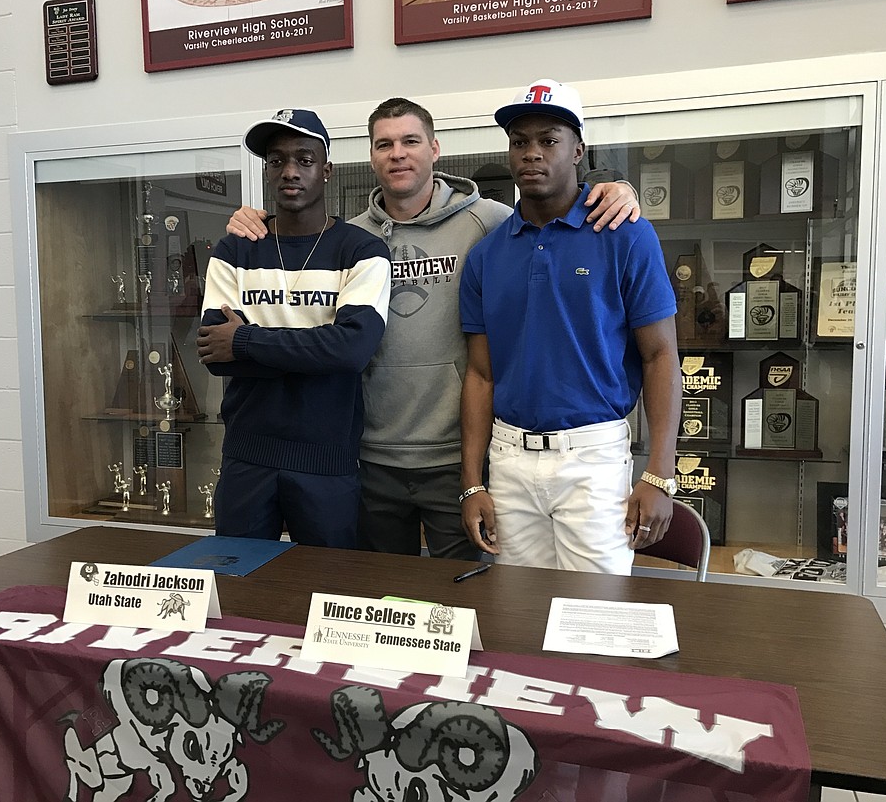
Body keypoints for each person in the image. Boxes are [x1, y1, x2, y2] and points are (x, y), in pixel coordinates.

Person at [227, 98, 640, 560]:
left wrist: (615, 188)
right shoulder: (350, 239)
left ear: (435, 149)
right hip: (369, 454)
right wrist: (258, 221)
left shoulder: (489, 222)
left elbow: (550, 221)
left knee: (465, 603)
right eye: (384, 144)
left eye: (410, 141)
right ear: (370, 157)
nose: (397, 154)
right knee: (381, 600)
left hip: (456, 458)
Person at [459, 78, 681, 574]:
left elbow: (661, 356)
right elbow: (480, 375)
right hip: (509, 457)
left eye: (549, 140)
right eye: (520, 143)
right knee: (517, 617)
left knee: (595, 623)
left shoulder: (625, 234)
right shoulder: (488, 254)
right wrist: (472, 482)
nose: (532, 154)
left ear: (578, 150)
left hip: (593, 456)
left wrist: (661, 474)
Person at [197, 108, 391, 548]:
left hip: (327, 462)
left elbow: (351, 351)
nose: (290, 171)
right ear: (267, 172)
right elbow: (213, 353)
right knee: (239, 593)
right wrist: (314, 350)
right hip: (247, 458)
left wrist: (244, 341)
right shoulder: (236, 250)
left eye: (304, 160)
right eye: (277, 160)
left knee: (328, 593)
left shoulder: (361, 250)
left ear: (327, 171)